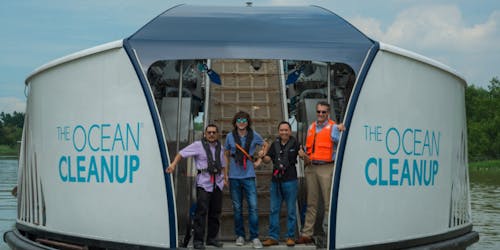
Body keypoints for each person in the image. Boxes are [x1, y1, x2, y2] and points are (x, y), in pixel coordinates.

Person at [166, 124, 227, 250]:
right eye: (209, 132)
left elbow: (223, 164)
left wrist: (225, 178)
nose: (211, 134)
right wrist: (173, 165)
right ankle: (198, 241)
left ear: (217, 134)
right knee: (201, 212)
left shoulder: (220, 147)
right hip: (204, 183)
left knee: (215, 212)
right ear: (205, 134)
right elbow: (181, 153)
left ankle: (212, 238)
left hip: (218, 183)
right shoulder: (198, 145)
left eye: (214, 132)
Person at [296, 101, 345, 244]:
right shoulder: (311, 127)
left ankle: (329, 233)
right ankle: (307, 234)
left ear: (328, 113)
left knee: (328, 204)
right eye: (319, 112)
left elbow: (342, 143)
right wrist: (303, 153)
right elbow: (309, 147)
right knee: (311, 202)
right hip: (311, 167)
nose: (321, 114)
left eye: (324, 112)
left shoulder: (334, 127)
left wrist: (342, 129)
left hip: (326, 167)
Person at [224, 111, 268, 249]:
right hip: (234, 176)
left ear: (247, 122)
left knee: (253, 207)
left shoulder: (254, 135)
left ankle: (254, 237)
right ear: (235, 122)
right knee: (237, 208)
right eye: (239, 120)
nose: (241, 122)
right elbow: (226, 156)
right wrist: (225, 175)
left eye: (244, 120)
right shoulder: (230, 136)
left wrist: (260, 159)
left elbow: (265, 144)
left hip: (249, 175)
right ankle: (240, 235)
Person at [261, 121, 299, 247]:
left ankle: (290, 237)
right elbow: (267, 160)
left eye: (286, 130)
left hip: (291, 180)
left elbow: (305, 158)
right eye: (281, 130)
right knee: (273, 210)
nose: (284, 132)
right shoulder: (275, 144)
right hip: (276, 181)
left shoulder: (296, 144)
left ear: (290, 131)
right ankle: (273, 237)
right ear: (279, 131)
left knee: (291, 210)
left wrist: (305, 156)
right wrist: (262, 156)